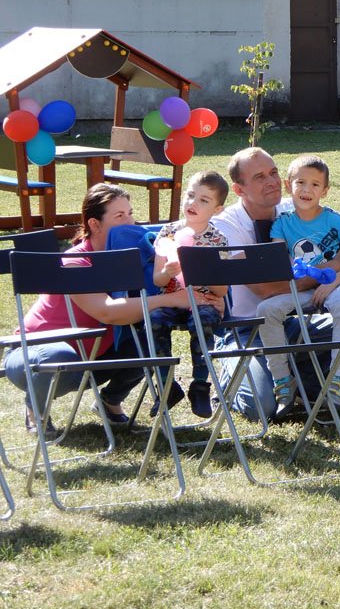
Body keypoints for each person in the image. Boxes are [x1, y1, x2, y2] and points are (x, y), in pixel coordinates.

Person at [4, 184, 223, 437]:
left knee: (145, 339)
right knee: (58, 354)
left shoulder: (133, 258)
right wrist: (172, 300)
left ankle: (109, 401)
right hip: (33, 354)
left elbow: (170, 284)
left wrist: (209, 299)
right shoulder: (75, 261)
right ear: (95, 224)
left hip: (92, 356)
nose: (130, 222)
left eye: (130, 213)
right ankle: (36, 407)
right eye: (120, 217)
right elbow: (107, 312)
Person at [211, 148, 340, 421]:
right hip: (245, 328)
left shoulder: (297, 205)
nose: (272, 181)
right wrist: (330, 268)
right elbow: (266, 290)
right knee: (262, 408)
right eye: (260, 177)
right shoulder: (227, 227)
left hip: (297, 319)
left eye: (273, 172)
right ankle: (230, 376)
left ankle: (303, 381)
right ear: (239, 190)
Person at [257, 155, 340, 415]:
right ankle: (283, 383)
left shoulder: (334, 220)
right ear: (289, 185)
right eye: (300, 182)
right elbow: (278, 264)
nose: (306, 190)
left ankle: (336, 382)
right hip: (309, 288)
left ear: (325, 190)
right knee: (266, 310)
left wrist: (335, 281)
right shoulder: (282, 224)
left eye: (315, 185)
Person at [149, 170, 230, 419]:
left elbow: (222, 289)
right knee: (153, 320)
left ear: (217, 210)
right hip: (172, 299)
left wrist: (202, 273)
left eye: (203, 200)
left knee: (202, 320)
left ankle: (199, 384)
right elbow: (157, 280)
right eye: (191, 195)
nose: (193, 203)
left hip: (203, 301)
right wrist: (166, 270)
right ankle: (166, 387)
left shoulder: (219, 240)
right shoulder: (168, 232)